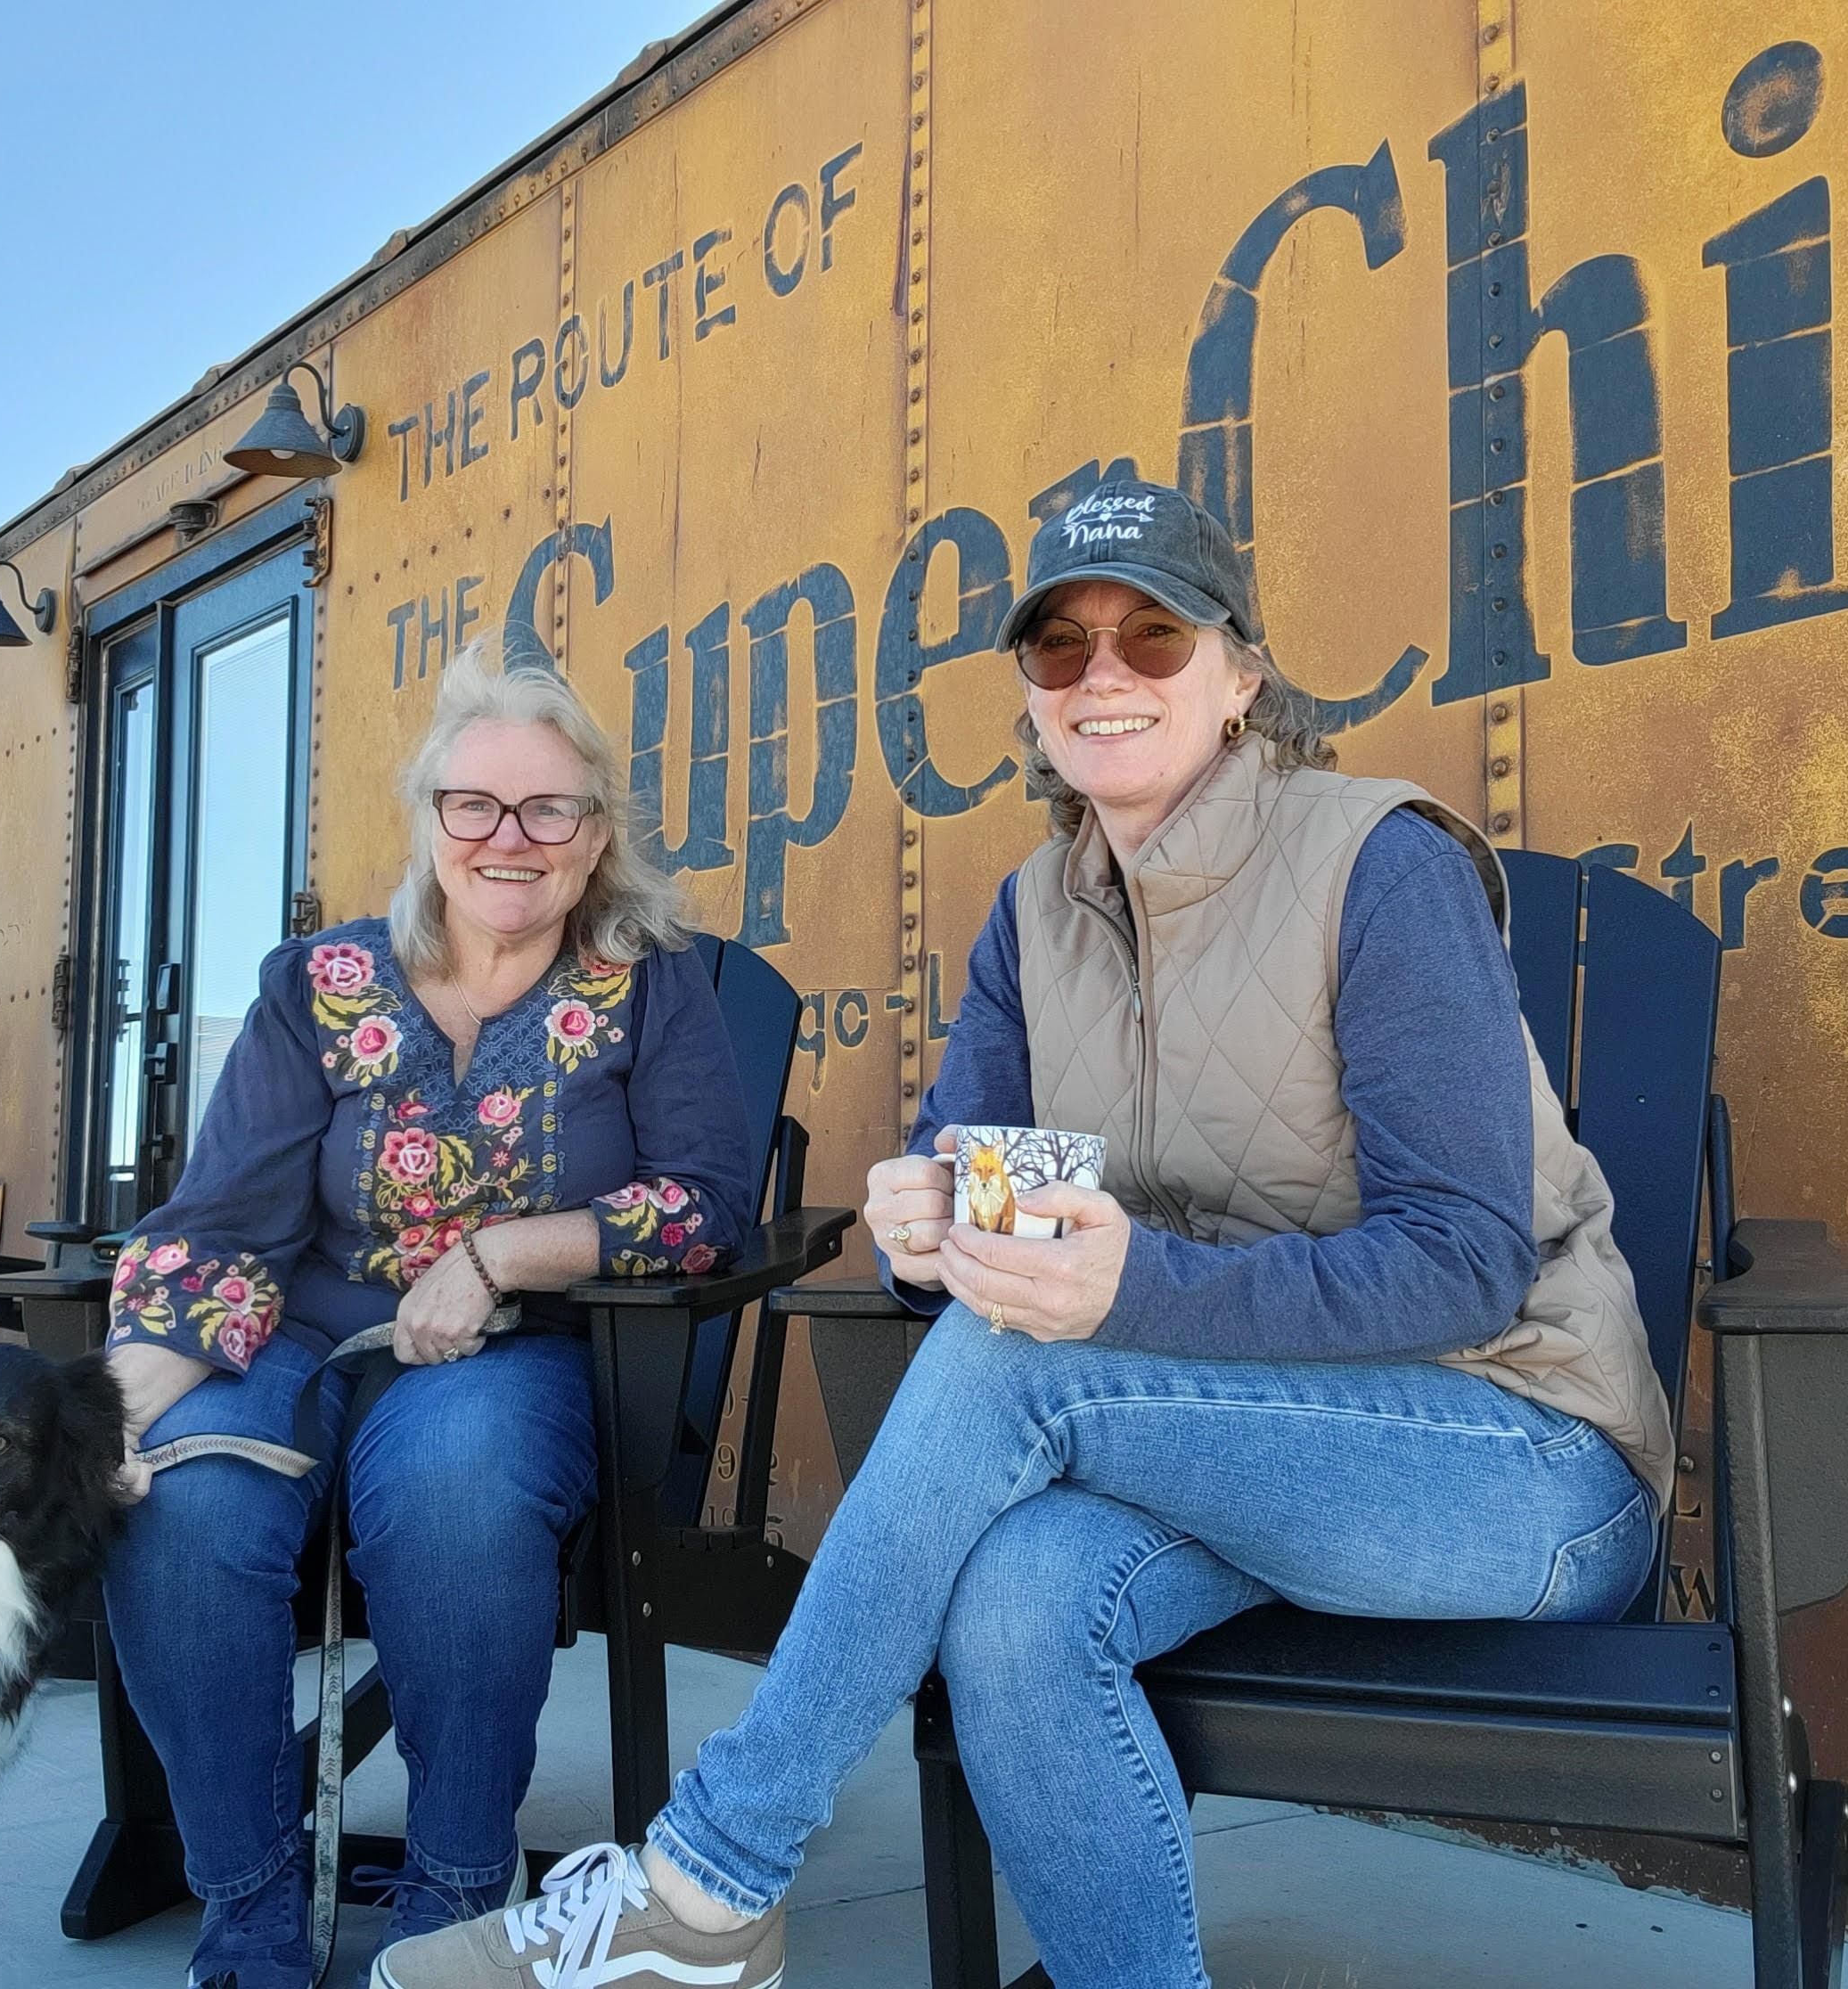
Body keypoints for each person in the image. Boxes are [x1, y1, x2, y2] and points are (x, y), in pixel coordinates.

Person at [371, 478, 1674, 1989]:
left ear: (1243, 678)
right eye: (1061, 646)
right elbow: (970, 1180)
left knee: (1024, 1365)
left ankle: (710, 1884)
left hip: (1516, 1457)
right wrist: (925, 1232)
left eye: (1154, 636)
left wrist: (1133, 1288)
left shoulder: (1379, 865)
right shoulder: (1035, 915)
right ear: (1034, 698)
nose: (1103, 674)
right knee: (1015, 1600)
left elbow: (1466, 1261)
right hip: (1235, 1446)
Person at [102, 653, 759, 1987]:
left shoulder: (651, 982)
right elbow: (223, 1220)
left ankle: (456, 1901)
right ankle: (247, 1902)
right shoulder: (320, 983)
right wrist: (111, 1406)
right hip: (291, 1341)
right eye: (475, 805)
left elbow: (706, 1203)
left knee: (457, 1488)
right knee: (179, 1500)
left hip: (508, 1353)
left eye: (550, 809)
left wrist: (500, 1254)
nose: (510, 838)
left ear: (596, 836)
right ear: (429, 821)